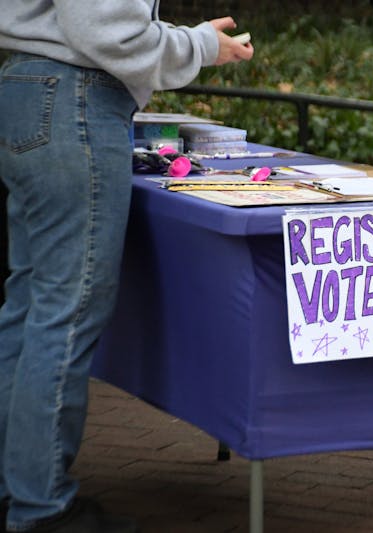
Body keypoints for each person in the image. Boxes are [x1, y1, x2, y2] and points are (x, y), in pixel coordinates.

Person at [0, 3, 253, 531]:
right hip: (74, 99)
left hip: (31, 86)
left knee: (30, 311)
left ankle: (18, 490)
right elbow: (106, 31)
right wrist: (199, 46)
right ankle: (41, 506)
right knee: (62, 315)